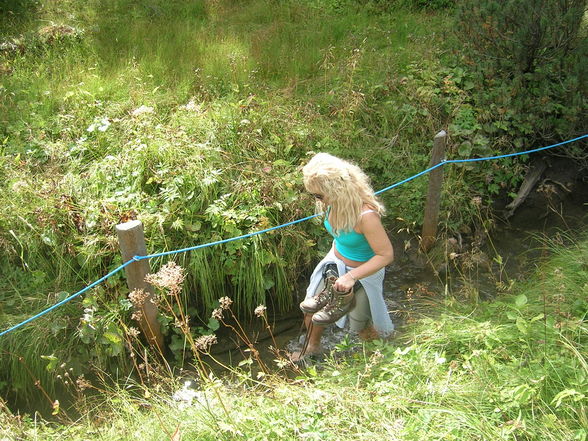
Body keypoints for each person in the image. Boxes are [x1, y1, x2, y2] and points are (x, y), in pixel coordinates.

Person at [292, 152, 395, 361]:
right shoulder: (332, 202)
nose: (317, 200)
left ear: (337, 190)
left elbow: (386, 255)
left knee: (361, 325)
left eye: (319, 195)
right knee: (310, 307)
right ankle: (312, 347)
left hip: (363, 274)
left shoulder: (366, 216)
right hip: (335, 263)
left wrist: (351, 277)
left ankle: (383, 358)